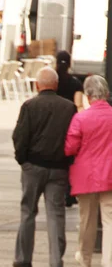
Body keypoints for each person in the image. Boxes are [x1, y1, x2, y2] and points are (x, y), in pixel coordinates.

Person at [12, 67, 76, 267]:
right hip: (59, 168)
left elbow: (20, 136)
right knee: (56, 214)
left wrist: (22, 160)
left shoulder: (29, 106)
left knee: (28, 211)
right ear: (56, 85)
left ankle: (24, 259)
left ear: (38, 85)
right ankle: (56, 263)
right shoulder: (69, 107)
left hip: (33, 166)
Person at [65, 75, 112, 267]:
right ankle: (109, 262)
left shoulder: (81, 118)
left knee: (86, 218)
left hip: (86, 175)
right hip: (110, 173)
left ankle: (84, 258)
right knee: (110, 218)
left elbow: (70, 148)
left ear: (88, 95)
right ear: (107, 94)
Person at [56, 50, 84, 208]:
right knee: (70, 160)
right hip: (70, 124)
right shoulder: (75, 83)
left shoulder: (53, 80)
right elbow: (78, 104)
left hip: (54, 123)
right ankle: (69, 193)